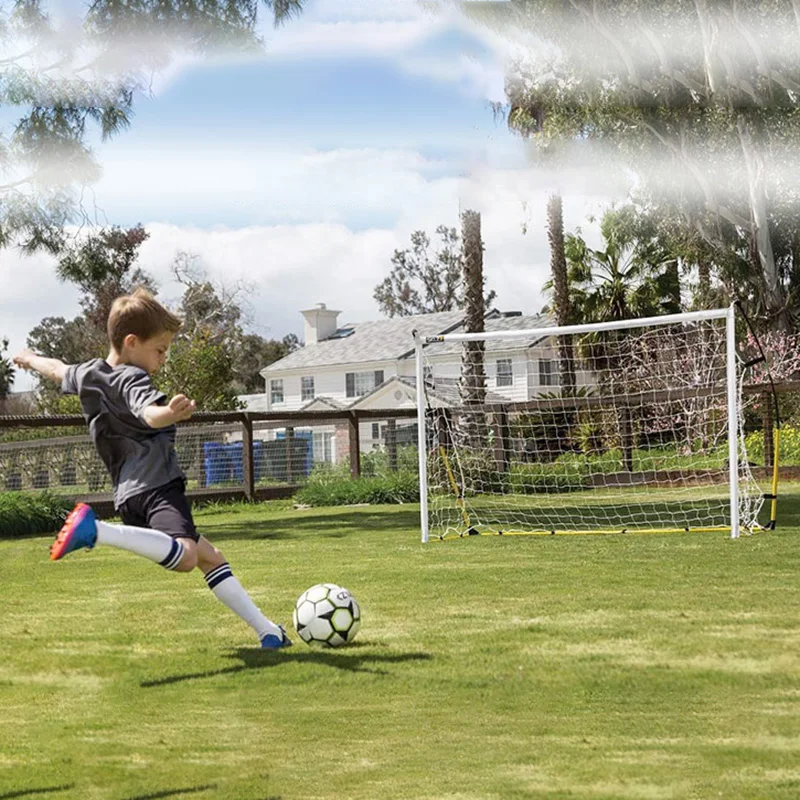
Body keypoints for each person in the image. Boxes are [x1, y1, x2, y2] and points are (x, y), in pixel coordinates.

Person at [13, 288, 291, 650]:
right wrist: (170, 414)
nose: (161, 361)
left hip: (128, 494)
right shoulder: (133, 378)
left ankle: (267, 631)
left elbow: (57, 369)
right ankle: (96, 532)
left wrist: (29, 357)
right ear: (131, 342)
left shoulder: (89, 374)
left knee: (210, 557)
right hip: (158, 485)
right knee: (187, 557)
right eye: (159, 350)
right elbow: (147, 412)